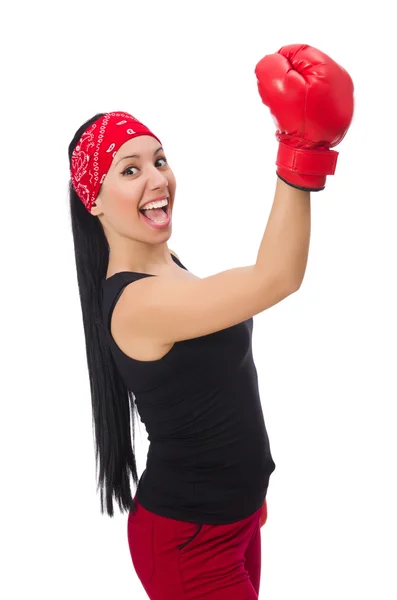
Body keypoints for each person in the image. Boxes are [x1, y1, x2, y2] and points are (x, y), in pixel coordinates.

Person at [68, 44, 354, 600]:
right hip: (188, 542)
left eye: (159, 159)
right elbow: (276, 278)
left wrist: (249, 493)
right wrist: (299, 149)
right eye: (129, 170)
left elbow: (214, 387)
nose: (156, 179)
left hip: (233, 519)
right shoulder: (136, 305)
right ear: (94, 200)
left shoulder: (169, 267)